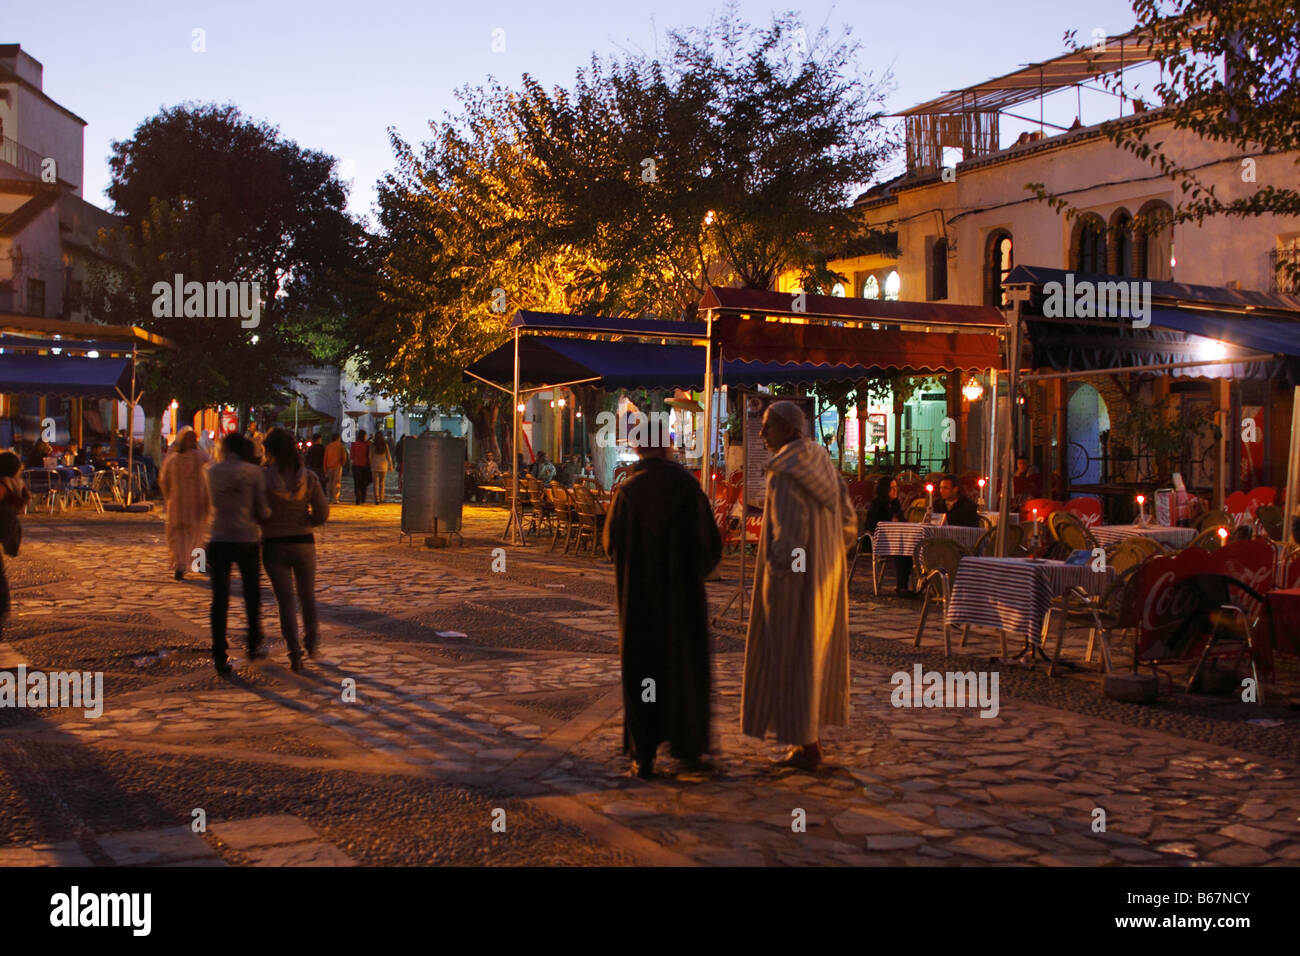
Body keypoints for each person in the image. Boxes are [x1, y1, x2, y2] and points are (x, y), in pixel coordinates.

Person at [741, 401, 856, 772]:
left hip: (797, 582)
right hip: (826, 575)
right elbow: (849, 520)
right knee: (814, 655)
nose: (761, 434)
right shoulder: (820, 460)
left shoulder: (785, 471)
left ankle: (806, 745)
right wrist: (829, 556)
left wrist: (783, 579)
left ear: (789, 430)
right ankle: (809, 741)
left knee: (792, 655)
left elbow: (789, 534)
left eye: (767, 427)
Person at [603, 436, 722, 778]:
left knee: (644, 672)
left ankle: (645, 751)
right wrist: (689, 572)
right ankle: (688, 745)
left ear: (639, 449)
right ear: (668, 447)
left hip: (639, 601)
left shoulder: (628, 493)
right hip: (682, 601)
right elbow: (709, 548)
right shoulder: (688, 489)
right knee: (684, 668)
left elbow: (611, 544)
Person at [260, 428, 329, 672]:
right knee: (307, 597)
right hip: (303, 542)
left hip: (273, 543)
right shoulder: (308, 477)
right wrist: (309, 520)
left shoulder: (263, 478)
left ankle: (294, 653)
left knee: (285, 601)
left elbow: (256, 511)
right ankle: (312, 644)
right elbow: (322, 512)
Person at [205, 433, 271, 675]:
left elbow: (209, 503)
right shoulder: (254, 473)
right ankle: (253, 644)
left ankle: (219, 652)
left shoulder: (212, 471)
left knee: (219, 599)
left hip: (219, 537)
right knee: (252, 595)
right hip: (247, 537)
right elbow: (262, 508)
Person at [158, 427, 210, 582]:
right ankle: (197, 564)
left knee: (179, 537)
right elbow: (211, 475)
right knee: (197, 535)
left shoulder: (172, 459)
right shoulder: (202, 457)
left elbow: (163, 480)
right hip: (197, 503)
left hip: (177, 504)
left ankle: (180, 566)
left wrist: (168, 497)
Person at [865, 475, 915, 597]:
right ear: (884, 490)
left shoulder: (895, 504)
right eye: (891, 488)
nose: (895, 490)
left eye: (896, 487)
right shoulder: (877, 506)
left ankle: (906, 585)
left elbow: (902, 521)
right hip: (876, 542)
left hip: (895, 542)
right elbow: (873, 526)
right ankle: (901, 586)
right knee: (902, 550)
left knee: (908, 549)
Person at [0, 452, 30, 632]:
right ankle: (3, 608)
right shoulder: (17, 483)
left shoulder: (2, 484)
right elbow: (23, 503)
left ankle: (2, 608)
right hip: (9, 526)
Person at [322, 432, 347, 504]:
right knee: (336, 483)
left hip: (329, 466)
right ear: (338, 438)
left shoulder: (328, 446)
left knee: (329, 483)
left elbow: (325, 458)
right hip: (337, 466)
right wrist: (342, 463)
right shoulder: (340, 446)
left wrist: (325, 467)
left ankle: (330, 497)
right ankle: (335, 498)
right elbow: (344, 457)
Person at [371, 431, 394, 504]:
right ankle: (381, 498)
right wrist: (391, 465)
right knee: (382, 483)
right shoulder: (385, 445)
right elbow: (388, 456)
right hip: (383, 466)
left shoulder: (372, 445)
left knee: (376, 484)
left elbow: (370, 456)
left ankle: (376, 499)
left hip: (375, 465)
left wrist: (371, 464)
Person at [350, 429, 372, 504]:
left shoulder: (354, 444)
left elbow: (352, 456)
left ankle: (358, 499)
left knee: (357, 483)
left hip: (355, 465)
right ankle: (363, 498)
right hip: (365, 466)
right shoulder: (367, 445)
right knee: (364, 483)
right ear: (364, 436)